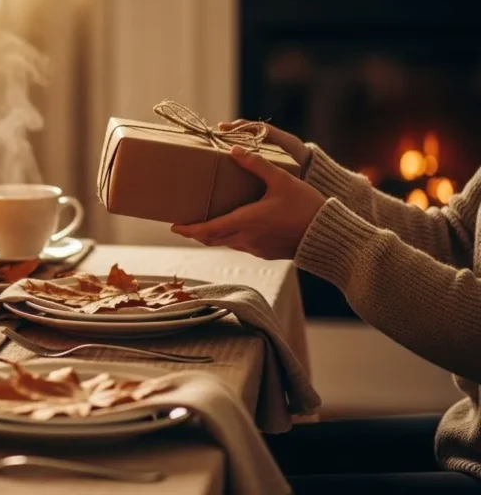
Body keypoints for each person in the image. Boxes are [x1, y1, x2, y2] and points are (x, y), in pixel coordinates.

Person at [171, 121, 481, 494]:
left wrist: (326, 237)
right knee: (203, 453)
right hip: (468, 435)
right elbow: (454, 240)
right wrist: (308, 173)